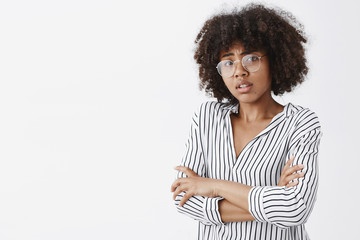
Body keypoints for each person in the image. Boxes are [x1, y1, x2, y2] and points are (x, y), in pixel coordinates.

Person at [170, 3, 322, 240]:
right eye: (228, 62)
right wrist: (273, 198)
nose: (239, 71)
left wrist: (214, 186)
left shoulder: (300, 123)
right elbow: (184, 198)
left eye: (251, 58)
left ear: (276, 59)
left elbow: (294, 208)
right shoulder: (207, 117)